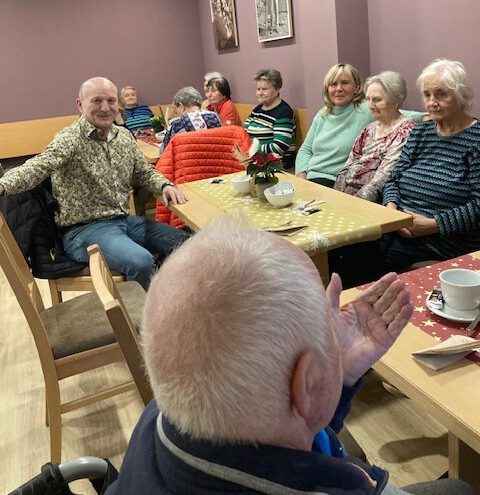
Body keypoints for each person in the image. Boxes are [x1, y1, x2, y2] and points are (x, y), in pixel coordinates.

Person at [105, 217, 474, 495]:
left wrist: (337, 373)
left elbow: (288, 418)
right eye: (327, 323)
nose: (337, 322)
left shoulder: (170, 409)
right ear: (308, 383)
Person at [0, 77, 188, 290]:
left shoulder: (124, 137)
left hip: (125, 221)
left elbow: (143, 173)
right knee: (141, 261)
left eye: (110, 100)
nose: (105, 108)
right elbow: (37, 166)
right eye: (97, 101)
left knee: (186, 244)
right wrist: (4, 185)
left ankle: (166, 297)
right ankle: (146, 319)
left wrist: (164, 185)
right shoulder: (70, 138)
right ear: (80, 105)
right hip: (84, 231)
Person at [381, 59, 480, 272]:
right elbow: (393, 179)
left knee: (365, 264)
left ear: (461, 96)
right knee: (347, 249)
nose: (432, 102)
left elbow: (478, 206)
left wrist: (432, 225)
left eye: (441, 94)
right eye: (427, 95)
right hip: (398, 224)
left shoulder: (476, 139)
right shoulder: (420, 132)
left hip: (443, 240)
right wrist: (393, 212)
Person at [296, 64, 424, 187]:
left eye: (345, 83)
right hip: (310, 178)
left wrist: (427, 116)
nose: (338, 88)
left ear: (356, 87)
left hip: (335, 181)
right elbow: (305, 150)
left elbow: (396, 113)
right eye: (333, 84)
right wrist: (301, 180)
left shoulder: (365, 109)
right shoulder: (322, 114)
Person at [334, 72, 415, 203]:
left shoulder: (405, 131)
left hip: (369, 203)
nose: (370, 105)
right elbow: (347, 166)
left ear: (395, 101)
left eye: (377, 100)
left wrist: (350, 204)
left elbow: (382, 179)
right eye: (368, 99)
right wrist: (336, 197)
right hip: (345, 197)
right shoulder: (370, 128)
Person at [243, 69, 296, 170]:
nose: (260, 93)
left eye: (264, 89)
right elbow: (243, 133)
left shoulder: (284, 112)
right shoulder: (257, 110)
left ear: (277, 89)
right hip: (254, 162)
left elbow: (280, 146)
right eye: (258, 89)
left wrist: (253, 149)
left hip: (275, 167)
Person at [160, 86, 222, 151]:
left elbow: (163, 151)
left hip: (188, 160)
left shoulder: (176, 123)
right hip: (217, 159)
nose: (177, 114)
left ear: (181, 106)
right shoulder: (214, 116)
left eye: (176, 110)